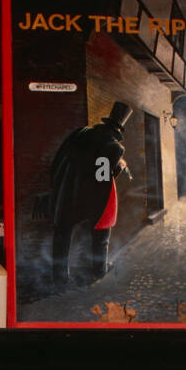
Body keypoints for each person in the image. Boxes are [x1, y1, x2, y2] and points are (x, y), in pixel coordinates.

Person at [49, 101, 132, 286]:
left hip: (67, 193)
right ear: (118, 131)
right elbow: (101, 177)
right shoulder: (114, 147)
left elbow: (58, 159)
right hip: (91, 199)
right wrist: (118, 167)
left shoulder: (80, 133)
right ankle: (99, 271)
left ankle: (59, 278)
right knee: (101, 237)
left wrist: (57, 186)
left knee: (62, 235)